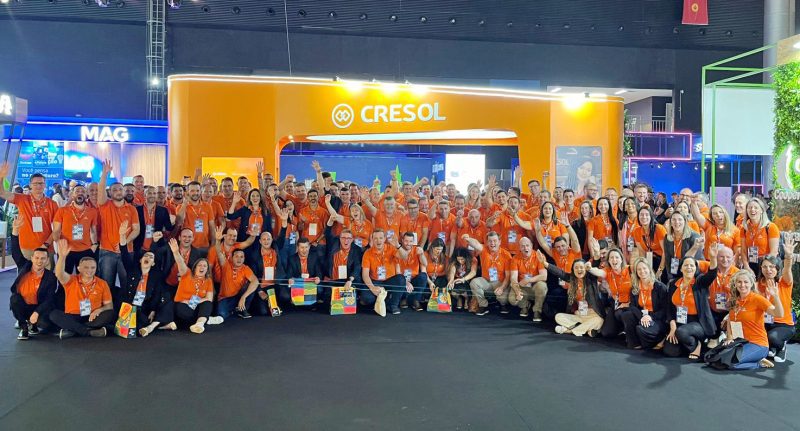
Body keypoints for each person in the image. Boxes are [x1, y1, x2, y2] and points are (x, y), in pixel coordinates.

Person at [118, 221, 174, 337]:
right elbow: (124, 254)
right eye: (146, 256)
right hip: (131, 307)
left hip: (145, 307)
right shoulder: (132, 270)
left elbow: (157, 294)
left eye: (151, 257)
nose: (148, 257)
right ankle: (158, 325)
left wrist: (153, 310)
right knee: (137, 322)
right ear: (140, 260)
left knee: (167, 304)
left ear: (153, 263)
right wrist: (122, 236)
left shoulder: (156, 276)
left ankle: (151, 326)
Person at [49, 239, 115, 339]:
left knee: (110, 314)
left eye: (93, 268)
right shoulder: (71, 280)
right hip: (73, 316)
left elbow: (109, 306)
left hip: (92, 317)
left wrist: (99, 310)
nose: (90, 270)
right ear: (79, 268)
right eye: (86, 267)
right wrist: (62, 257)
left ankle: (73, 330)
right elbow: (59, 274)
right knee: (54, 314)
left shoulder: (102, 283)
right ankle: (88, 331)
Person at [663, 248, 719, 360]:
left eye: (692, 265)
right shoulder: (674, 284)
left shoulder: (700, 282)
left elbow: (712, 274)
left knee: (681, 332)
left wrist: (713, 258)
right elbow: (670, 308)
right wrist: (672, 326)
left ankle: (697, 345)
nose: (689, 267)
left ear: (695, 268)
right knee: (670, 351)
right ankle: (688, 345)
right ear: (681, 268)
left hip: (699, 323)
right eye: (686, 265)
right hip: (680, 321)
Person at [538, 250, 607, 337]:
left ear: (585, 269)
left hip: (594, 315)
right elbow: (560, 273)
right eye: (576, 268)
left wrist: (596, 255)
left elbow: (595, 264)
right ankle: (588, 329)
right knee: (558, 317)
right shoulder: (572, 279)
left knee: (599, 321)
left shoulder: (591, 279)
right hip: (580, 315)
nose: (579, 270)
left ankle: (568, 330)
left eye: (581, 267)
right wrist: (544, 263)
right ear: (573, 270)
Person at [724, 270, 784, 369]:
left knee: (731, 364)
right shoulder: (734, 300)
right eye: (739, 282)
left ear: (751, 283)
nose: (742, 285)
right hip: (741, 342)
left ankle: (758, 363)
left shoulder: (757, 299)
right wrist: (729, 338)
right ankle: (754, 358)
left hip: (758, 344)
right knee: (719, 359)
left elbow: (779, 314)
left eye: (746, 282)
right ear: (735, 284)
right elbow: (730, 320)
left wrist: (776, 296)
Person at [9, 218, 58, 339]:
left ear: (47, 261)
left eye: (42, 258)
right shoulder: (24, 266)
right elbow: (15, 252)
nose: (39, 261)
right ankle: (24, 327)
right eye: (36, 258)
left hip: (38, 307)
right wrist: (15, 230)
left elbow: (49, 299)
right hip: (23, 305)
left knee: (46, 324)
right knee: (14, 299)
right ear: (32, 258)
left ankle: (34, 325)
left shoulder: (51, 277)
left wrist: (37, 312)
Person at [96, 159, 140, 293]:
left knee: (127, 284)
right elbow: (100, 190)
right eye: (114, 190)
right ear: (110, 193)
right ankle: (108, 306)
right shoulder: (104, 205)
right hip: (107, 251)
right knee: (106, 285)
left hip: (126, 251)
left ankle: (125, 306)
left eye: (120, 189)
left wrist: (123, 243)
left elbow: (136, 229)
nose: (118, 191)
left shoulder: (131, 209)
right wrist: (104, 174)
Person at [0, 164, 59, 260]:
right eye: (35, 184)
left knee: (47, 270)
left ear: (45, 185)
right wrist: (1, 177)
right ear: (30, 185)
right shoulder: (21, 199)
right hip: (26, 248)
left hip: (46, 248)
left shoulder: (52, 204)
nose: (38, 186)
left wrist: (46, 244)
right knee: (25, 270)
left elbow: (57, 228)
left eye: (41, 183)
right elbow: (2, 192)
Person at [756, 236, 796, 362]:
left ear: (777, 268)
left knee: (773, 337)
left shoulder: (784, 282)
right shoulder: (758, 285)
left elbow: (787, 269)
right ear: (761, 268)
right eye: (765, 267)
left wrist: (788, 256)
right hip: (765, 322)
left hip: (784, 324)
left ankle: (781, 346)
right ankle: (771, 347)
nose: (768, 270)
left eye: (772, 266)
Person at [168, 238, 218, 333]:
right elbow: (180, 263)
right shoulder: (187, 274)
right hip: (183, 305)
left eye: (205, 266)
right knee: (185, 311)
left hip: (197, 305)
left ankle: (199, 324)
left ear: (207, 270)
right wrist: (176, 252)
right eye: (200, 265)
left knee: (207, 304)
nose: (202, 267)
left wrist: (192, 301)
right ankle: (204, 319)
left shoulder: (208, 280)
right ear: (195, 268)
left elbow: (209, 299)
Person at [212, 226, 259, 320]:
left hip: (239, 296)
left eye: (241, 257)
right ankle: (236, 309)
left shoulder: (245, 268)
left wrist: (244, 297)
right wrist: (217, 240)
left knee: (250, 284)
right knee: (221, 314)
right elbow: (219, 252)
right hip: (226, 298)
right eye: (236, 256)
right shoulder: (226, 265)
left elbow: (256, 281)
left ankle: (241, 309)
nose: (239, 259)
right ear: (231, 258)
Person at [623, 257, 670, 349]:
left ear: (649, 269)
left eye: (644, 268)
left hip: (657, 318)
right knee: (626, 315)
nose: (642, 271)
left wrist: (650, 317)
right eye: (639, 269)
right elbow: (632, 306)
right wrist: (642, 316)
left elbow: (665, 310)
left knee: (640, 330)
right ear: (636, 272)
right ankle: (635, 343)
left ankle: (660, 338)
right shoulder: (635, 287)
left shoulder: (660, 287)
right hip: (643, 315)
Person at [360, 229, 410, 314]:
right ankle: (384, 299)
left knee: (401, 278)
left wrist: (398, 245)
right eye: (375, 238)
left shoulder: (391, 248)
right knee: (366, 299)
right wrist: (372, 288)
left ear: (384, 239)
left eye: (380, 238)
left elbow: (405, 257)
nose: (378, 241)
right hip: (375, 281)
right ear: (372, 240)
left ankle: (393, 305)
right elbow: (365, 275)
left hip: (389, 281)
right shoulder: (367, 253)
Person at [52, 183, 98, 274]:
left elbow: (93, 230)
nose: (80, 193)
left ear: (86, 195)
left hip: (85, 250)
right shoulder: (62, 211)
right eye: (77, 191)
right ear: (72, 195)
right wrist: (58, 243)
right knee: (64, 277)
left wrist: (95, 244)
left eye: (83, 191)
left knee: (84, 277)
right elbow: (56, 230)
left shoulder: (92, 211)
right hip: (66, 250)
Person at [464, 231, 513, 316]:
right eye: (490, 241)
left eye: (495, 241)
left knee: (503, 299)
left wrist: (502, 288)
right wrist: (468, 239)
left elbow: (508, 276)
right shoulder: (483, 249)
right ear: (487, 242)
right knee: (474, 283)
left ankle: (503, 305)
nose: (492, 243)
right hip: (486, 281)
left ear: (499, 242)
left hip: (500, 282)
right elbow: (476, 244)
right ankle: (483, 305)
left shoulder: (506, 254)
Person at [657, 212, 704, 284]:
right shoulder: (668, 237)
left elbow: (694, 261)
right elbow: (668, 258)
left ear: (685, 222)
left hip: (692, 271)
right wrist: (670, 278)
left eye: (680, 219)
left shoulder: (694, 237)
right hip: (675, 269)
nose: (677, 222)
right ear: (670, 223)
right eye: (674, 220)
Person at [509, 237, 548, 321]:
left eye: (527, 245)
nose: (525, 248)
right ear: (519, 248)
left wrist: (529, 280)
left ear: (531, 246)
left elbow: (544, 276)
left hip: (534, 285)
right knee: (512, 299)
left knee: (542, 286)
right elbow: (513, 278)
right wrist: (517, 290)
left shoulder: (539, 256)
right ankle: (525, 305)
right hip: (522, 286)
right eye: (522, 246)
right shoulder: (515, 258)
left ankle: (537, 310)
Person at [706, 246, 737, 348]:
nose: (725, 260)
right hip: (713, 310)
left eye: (728, 257)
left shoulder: (738, 274)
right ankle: (715, 336)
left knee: (735, 339)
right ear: (716, 257)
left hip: (731, 312)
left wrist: (730, 315)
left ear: (733, 258)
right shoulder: (710, 268)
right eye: (721, 256)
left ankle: (730, 336)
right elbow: (690, 261)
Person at [599, 248, 632, 339]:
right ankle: (620, 328)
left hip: (630, 303)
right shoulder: (608, 271)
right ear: (609, 261)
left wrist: (628, 303)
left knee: (619, 313)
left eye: (617, 257)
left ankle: (628, 329)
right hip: (616, 302)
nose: (614, 260)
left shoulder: (630, 270)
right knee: (606, 333)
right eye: (611, 258)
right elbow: (599, 272)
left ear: (621, 259)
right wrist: (589, 268)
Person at [740, 198, 780, 272]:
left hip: (767, 265)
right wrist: (746, 266)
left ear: (761, 210)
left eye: (756, 207)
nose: (752, 210)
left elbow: (774, 252)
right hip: (751, 263)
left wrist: (765, 268)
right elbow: (743, 251)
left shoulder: (771, 227)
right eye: (750, 207)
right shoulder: (744, 228)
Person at [284, 237, 326, 306]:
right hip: (298, 283)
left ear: (309, 247)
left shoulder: (314, 256)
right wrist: (290, 279)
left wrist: (318, 278)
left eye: (306, 247)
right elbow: (289, 274)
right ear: (298, 247)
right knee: (285, 294)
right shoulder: (292, 258)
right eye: (302, 247)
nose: (304, 250)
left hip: (311, 283)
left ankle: (313, 303)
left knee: (320, 290)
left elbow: (319, 272)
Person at [135, 185, 175, 252]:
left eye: (154, 193)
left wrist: (173, 222)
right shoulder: (137, 210)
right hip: (139, 246)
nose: (152, 195)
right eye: (149, 193)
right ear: (145, 195)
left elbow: (169, 228)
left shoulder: (163, 210)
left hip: (157, 246)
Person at [395, 232, 428, 311]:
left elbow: (425, 264)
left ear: (413, 242)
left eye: (410, 241)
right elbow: (397, 272)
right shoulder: (397, 251)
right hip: (402, 279)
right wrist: (406, 282)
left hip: (414, 279)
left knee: (423, 276)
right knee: (399, 279)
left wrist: (422, 254)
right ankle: (403, 298)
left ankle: (416, 300)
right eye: (406, 241)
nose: (408, 243)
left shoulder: (417, 250)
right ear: (402, 240)